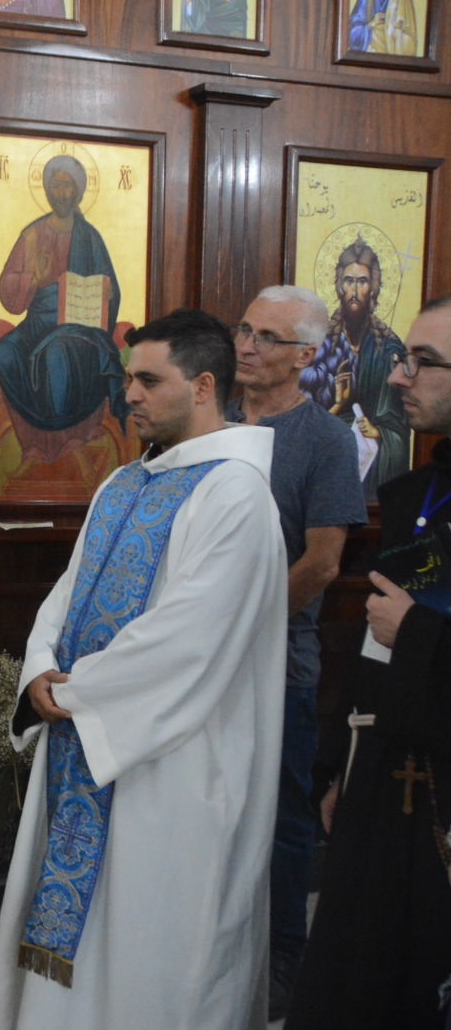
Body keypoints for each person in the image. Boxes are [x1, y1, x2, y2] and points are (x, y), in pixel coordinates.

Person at [0, 309, 286, 1030]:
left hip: (171, 765)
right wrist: (40, 670)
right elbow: (67, 592)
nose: (129, 395)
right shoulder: (123, 481)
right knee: (80, 942)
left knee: (150, 943)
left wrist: (77, 693)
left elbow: (188, 638)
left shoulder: (236, 493)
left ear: (203, 386)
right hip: (86, 736)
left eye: (149, 380)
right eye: (129, 380)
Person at [287, 296, 451, 1029]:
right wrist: (337, 766)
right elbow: (373, 636)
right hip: (383, 768)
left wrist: (416, 631)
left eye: (425, 362)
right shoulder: (418, 492)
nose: (399, 376)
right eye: (405, 357)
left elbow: (400, 624)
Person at [225, 286, 367, 1021]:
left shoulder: (325, 439)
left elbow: (322, 562)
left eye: (268, 338)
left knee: (282, 816)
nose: (247, 346)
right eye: (244, 330)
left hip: (278, 659)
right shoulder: (209, 421)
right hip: (193, 660)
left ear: (307, 355)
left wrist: (240, 632)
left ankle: (285, 958)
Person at [0, 154, 128, 436]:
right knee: (5, 351)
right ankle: (35, 433)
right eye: (56, 185)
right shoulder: (32, 235)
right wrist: (33, 278)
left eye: (67, 186)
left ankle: (61, 435)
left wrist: (107, 293)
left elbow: (109, 288)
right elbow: (7, 288)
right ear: (46, 189)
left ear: (78, 192)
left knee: (56, 353)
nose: (61, 194)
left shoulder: (90, 238)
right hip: (37, 323)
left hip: (78, 328)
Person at [302, 234, 409, 499]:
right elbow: (301, 420)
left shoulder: (389, 347)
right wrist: (339, 404)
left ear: (372, 288)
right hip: (327, 464)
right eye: (348, 280)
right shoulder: (320, 345)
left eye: (362, 281)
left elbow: (399, 425)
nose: (354, 290)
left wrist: (378, 432)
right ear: (339, 286)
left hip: (373, 469)